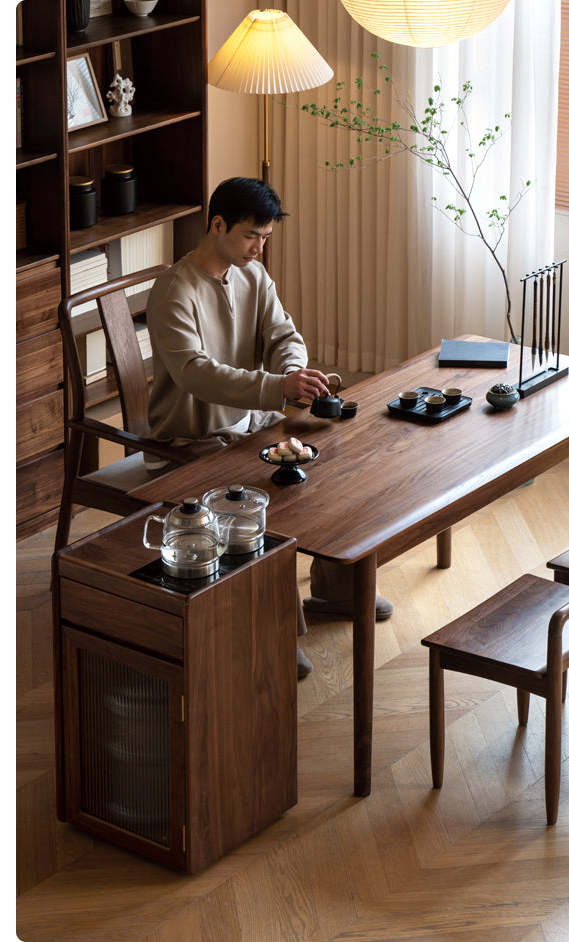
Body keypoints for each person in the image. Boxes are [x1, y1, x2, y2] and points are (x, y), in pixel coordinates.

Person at [144, 177, 392, 677]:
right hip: (194, 440)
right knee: (270, 504)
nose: (260, 247)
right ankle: (274, 633)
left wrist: (294, 372)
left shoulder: (252, 276)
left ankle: (337, 587)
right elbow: (196, 374)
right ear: (218, 225)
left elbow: (284, 335)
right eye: (253, 236)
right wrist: (278, 387)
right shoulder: (175, 292)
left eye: (266, 238)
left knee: (332, 464)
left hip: (252, 424)